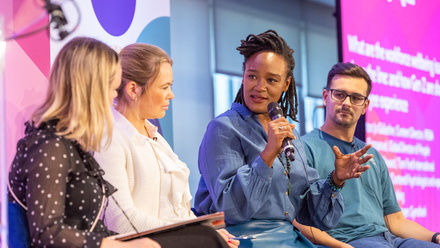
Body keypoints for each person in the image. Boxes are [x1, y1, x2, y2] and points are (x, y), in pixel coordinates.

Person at [193, 30, 373, 248]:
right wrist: (268, 154)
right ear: (243, 76)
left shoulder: (290, 134)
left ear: (286, 84)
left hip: (289, 239)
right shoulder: (223, 128)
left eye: (271, 80)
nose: (259, 87)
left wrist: (335, 180)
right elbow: (230, 208)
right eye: (252, 76)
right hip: (242, 240)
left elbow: (316, 217)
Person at [8, 37, 159, 248]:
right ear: (92, 92)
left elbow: (86, 227)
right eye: (112, 89)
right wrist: (114, 245)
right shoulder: (49, 146)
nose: (113, 98)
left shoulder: (71, 145)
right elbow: (47, 234)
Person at [93, 43, 239, 248]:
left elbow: (178, 210)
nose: (171, 94)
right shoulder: (109, 139)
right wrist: (196, 234)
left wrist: (207, 231)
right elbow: (121, 221)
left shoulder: (155, 138)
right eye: (164, 87)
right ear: (133, 89)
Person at [295, 62, 440, 248]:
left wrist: (435, 236)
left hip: (390, 240)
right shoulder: (303, 148)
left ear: (365, 106)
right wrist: (341, 246)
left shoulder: (373, 155)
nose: (346, 103)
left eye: (355, 98)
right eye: (339, 95)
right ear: (325, 97)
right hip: (347, 242)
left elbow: (395, 221)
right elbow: (295, 219)